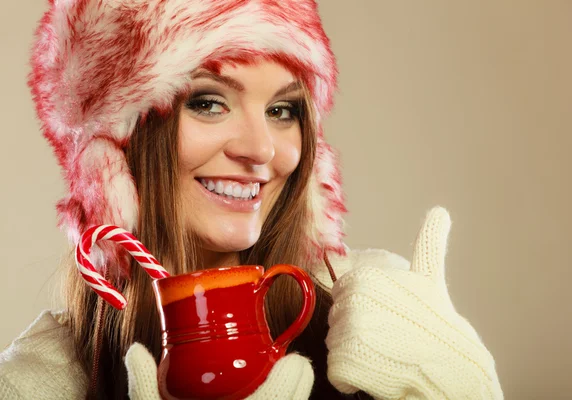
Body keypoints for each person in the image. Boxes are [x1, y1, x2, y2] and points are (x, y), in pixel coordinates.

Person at [0, 0, 503, 399]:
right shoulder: (38, 381)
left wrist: (464, 389)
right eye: (208, 102)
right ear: (116, 151)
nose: (262, 149)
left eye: (282, 109)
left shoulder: (378, 312)